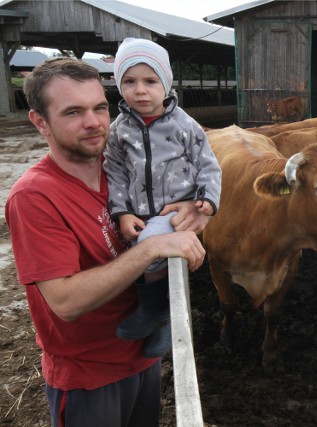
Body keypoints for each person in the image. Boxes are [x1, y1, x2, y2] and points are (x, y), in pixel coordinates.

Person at [5, 57, 209, 426]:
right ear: (40, 122)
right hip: (90, 377)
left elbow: (197, 185)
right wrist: (151, 248)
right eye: (73, 112)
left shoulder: (127, 170)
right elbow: (65, 302)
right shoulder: (36, 196)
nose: (94, 123)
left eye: (100, 107)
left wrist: (195, 209)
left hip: (144, 355)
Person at [103, 38, 222, 358]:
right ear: (118, 84)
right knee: (138, 249)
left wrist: (208, 201)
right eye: (129, 81)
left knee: (148, 247)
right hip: (140, 210)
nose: (140, 90)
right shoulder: (118, 129)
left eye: (150, 81)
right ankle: (165, 321)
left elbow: (209, 165)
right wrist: (122, 211)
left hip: (175, 209)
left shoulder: (185, 125)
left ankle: (153, 310)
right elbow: (114, 171)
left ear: (166, 84)